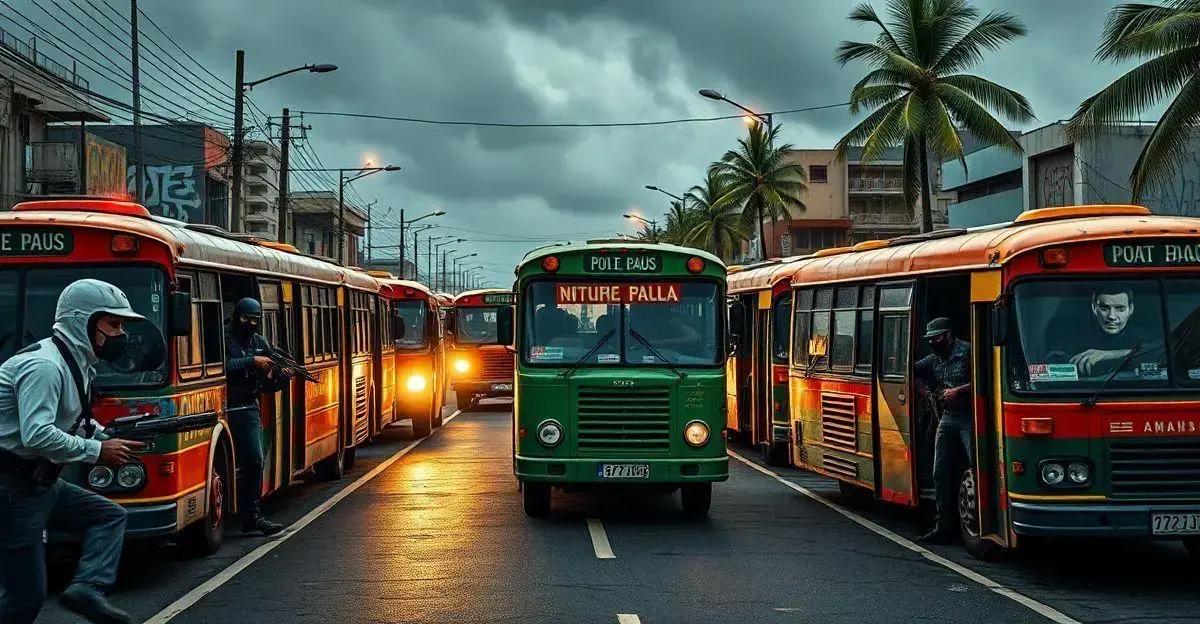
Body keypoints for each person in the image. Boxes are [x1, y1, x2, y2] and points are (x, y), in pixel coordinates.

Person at [0, 279, 148, 624]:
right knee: (25, 597)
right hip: (11, 488)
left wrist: (106, 435)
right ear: (83, 321)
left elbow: (73, 420)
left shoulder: (76, 364)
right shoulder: (46, 367)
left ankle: (87, 588)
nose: (121, 334)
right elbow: (38, 435)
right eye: (113, 324)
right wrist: (97, 450)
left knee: (109, 516)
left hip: (39, 484)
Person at [225, 298, 288, 537]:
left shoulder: (259, 341)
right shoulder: (223, 337)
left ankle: (252, 516)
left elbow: (273, 381)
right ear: (236, 316)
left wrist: (278, 374)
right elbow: (221, 365)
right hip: (223, 406)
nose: (250, 324)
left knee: (254, 459)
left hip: (248, 406)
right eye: (246, 319)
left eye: (255, 320)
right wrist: (252, 361)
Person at [914, 317, 973, 545]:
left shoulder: (967, 352)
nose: (932, 342)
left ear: (947, 335)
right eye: (929, 339)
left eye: (936, 338)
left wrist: (958, 390)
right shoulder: (934, 358)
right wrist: (925, 392)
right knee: (940, 471)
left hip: (969, 416)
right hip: (947, 417)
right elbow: (913, 370)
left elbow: (987, 376)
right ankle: (943, 524)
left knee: (974, 466)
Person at [1051, 287, 1146, 376]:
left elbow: (1155, 353)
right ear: (1094, 308)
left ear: (1130, 309)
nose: (1111, 316)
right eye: (1104, 308)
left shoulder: (1143, 335)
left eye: (1120, 309)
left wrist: (1110, 354)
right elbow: (1052, 362)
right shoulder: (1073, 334)